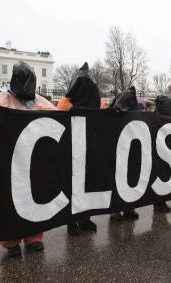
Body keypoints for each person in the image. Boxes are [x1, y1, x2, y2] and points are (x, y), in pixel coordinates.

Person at [0, 61, 56, 257]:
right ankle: (11, 241)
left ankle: (34, 238)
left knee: (35, 196)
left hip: (34, 163)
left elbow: (59, 120)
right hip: (7, 163)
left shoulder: (40, 102)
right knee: (9, 199)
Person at [56, 62, 101, 236]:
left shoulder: (95, 101)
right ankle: (70, 221)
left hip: (88, 149)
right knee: (70, 184)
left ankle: (85, 218)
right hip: (70, 151)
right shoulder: (64, 103)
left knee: (86, 184)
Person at [109, 86, 141, 221]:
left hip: (131, 149)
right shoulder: (114, 112)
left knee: (131, 178)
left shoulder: (134, 109)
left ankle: (129, 208)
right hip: (118, 150)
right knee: (118, 180)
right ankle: (115, 211)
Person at [153, 95, 171, 212]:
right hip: (158, 153)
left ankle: (160, 203)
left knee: (162, 176)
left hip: (164, 153)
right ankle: (159, 203)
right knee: (160, 176)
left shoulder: (156, 118)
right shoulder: (155, 119)